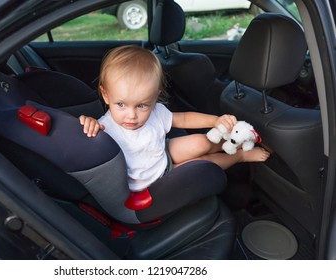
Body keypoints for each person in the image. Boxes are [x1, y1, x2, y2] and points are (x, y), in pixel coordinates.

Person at [79, 45, 270, 192]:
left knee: (200, 142)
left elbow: (184, 119)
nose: (131, 115)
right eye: (121, 104)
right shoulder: (104, 127)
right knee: (203, 164)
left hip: (162, 153)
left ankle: (232, 143)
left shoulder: (156, 112)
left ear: (154, 98)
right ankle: (240, 156)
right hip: (157, 179)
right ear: (105, 95)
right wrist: (90, 124)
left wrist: (215, 121)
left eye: (141, 105)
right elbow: (88, 140)